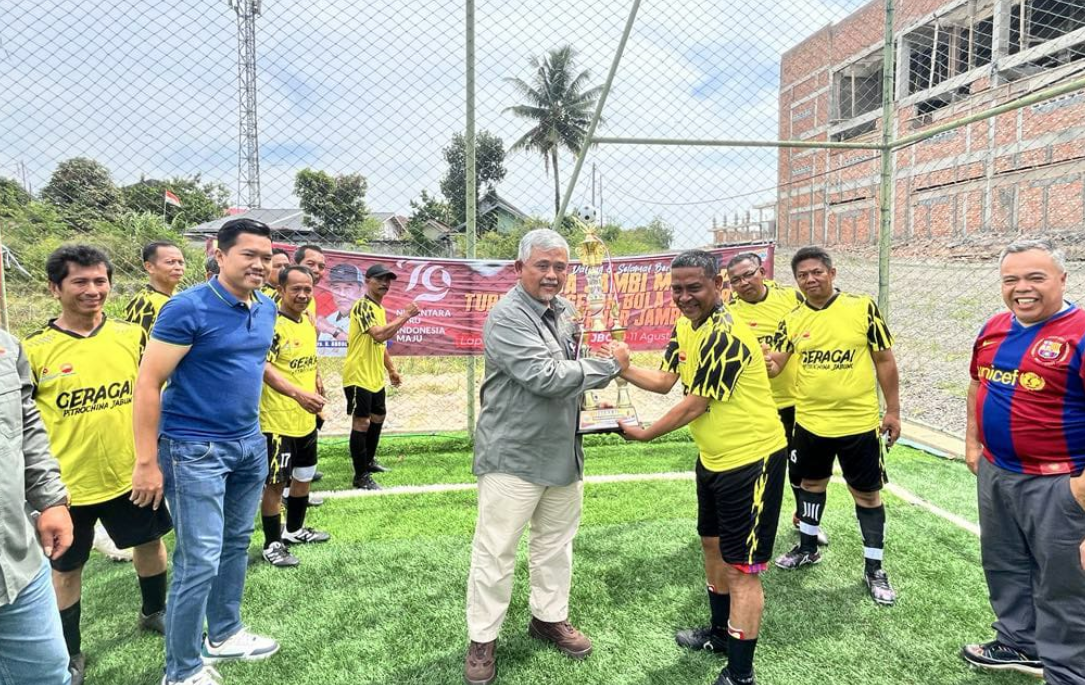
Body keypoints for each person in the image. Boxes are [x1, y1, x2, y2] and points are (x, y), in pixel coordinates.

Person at [463, 228, 629, 685]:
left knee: (555, 544)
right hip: (513, 452)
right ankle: (482, 640)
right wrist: (612, 365)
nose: (553, 275)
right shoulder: (507, 316)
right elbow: (547, 376)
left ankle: (548, 617)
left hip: (562, 448)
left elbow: (575, 364)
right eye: (543, 265)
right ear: (520, 269)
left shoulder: (568, 312)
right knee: (496, 550)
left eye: (560, 266)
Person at [620, 250, 786, 685]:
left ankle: (740, 673)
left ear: (718, 285)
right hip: (713, 458)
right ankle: (717, 633)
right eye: (677, 288)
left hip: (752, 461)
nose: (684, 296)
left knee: (742, 568)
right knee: (711, 545)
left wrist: (644, 434)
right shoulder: (685, 327)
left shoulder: (726, 334)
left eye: (694, 287)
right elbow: (665, 381)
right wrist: (622, 370)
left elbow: (697, 403)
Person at [131, 218, 280, 685]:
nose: (259, 264)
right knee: (199, 558)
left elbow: (251, 367)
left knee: (236, 543)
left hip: (247, 444)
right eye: (248, 255)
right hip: (193, 448)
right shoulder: (187, 308)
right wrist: (146, 461)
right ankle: (181, 669)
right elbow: (148, 383)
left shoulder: (266, 308)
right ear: (219, 253)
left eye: (265, 256)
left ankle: (225, 631)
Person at [24, 245, 173, 685]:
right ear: (55, 288)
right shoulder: (35, 350)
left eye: (100, 281)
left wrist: (153, 459)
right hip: (66, 486)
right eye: (80, 282)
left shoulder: (131, 336)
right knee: (66, 568)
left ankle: (154, 612)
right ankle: (69, 652)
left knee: (150, 544)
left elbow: (154, 396)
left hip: (132, 472)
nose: (93, 290)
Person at [960, 239, 1085, 684]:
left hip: (1059, 484)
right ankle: (1019, 643)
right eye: (1011, 279)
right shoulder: (994, 327)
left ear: (1063, 279)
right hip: (997, 473)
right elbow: (979, 385)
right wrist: (974, 445)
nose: (1022, 289)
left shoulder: (1080, 333)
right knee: (1004, 564)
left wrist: (1079, 488)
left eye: (1035, 277)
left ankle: (1068, 673)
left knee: (1065, 586)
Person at [765, 245, 901, 606]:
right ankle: (808, 547)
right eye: (802, 275)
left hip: (858, 424)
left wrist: (894, 411)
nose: (810, 279)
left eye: (816, 272)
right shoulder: (792, 319)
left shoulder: (862, 308)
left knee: (867, 495)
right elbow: (776, 364)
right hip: (810, 423)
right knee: (811, 484)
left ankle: (874, 567)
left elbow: (885, 360)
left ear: (832, 273)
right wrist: (763, 362)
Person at [724, 251, 827, 547]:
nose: (743, 283)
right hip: (756, 403)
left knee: (801, 468)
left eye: (748, 274)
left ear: (763, 271)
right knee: (756, 467)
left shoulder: (791, 298)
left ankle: (805, 519)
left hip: (796, 399)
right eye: (736, 280)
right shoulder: (729, 313)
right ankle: (750, 522)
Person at [0, 328, 74, 685]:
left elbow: (25, 423)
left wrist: (49, 499)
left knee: (47, 671)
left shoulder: (5, 346)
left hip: (17, 556)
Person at [258, 265, 330, 568]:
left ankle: (295, 530)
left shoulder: (306, 322)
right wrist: (297, 394)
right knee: (276, 485)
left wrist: (315, 381)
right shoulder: (272, 324)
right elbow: (263, 367)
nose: (302, 295)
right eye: (295, 289)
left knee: (304, 476)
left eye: (307, 289)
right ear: (281, 290)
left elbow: (307, 362)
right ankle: (272, 544)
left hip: (305, 419)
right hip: (277, 420)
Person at [342, 264, 419, 489]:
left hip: (374, 375)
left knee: (378, 417)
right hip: (358, 375)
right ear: (367, 281)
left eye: (388, 280)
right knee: (362, 422)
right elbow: (379, 335)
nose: (384, 283)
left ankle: (368, 461)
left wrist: (391, 369)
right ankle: (360, 476)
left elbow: (381, 343)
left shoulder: (378, 308)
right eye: (379, 279)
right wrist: (405, 315)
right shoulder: (363, 306)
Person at [124, 241, 187, 334]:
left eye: (181, 262)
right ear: (149, 267)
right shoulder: (144, 303)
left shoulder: (181, 297)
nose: (178, 267)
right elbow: (136, 344)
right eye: (170, 262)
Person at [319, 263, 366, 343]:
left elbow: (367, 347)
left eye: (348, 288)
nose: (342, 294)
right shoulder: (330, 319)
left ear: (362, 290)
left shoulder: (370, 316)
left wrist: (332, 331)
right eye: (336, 288)